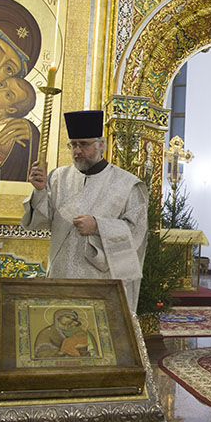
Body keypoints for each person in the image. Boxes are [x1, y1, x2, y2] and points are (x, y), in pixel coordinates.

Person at [22, 110, 148, 312]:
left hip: (101, 280)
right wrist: (39, 191)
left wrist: (98, 226)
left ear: (101, 145)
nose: (77, 151)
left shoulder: (127, 185)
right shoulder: (57, 177)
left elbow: (137, 233)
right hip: (61, 275)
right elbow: (40, 222)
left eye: (84, 144)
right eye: (73, 145)